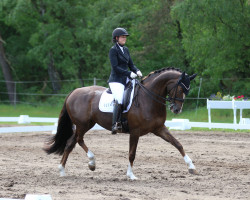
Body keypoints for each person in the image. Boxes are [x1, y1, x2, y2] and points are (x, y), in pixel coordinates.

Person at [108, 27, 143, 134]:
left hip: (127, 78)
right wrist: (129, 73)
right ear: (116, 38)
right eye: (123, 37)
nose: (124, 39)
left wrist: (137, 71)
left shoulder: (126, 50)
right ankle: (115, 124)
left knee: (137, 93)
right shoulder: (113, 50)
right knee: (119, 99)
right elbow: (115, 67)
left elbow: (131, 65)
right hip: (116, 80)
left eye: (125, 37)